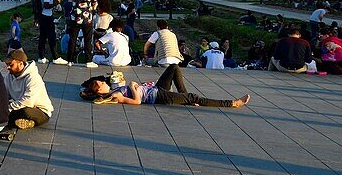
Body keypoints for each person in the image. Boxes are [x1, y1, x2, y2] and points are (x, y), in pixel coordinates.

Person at [81, 65, 251, 108]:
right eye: (101, 84)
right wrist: (134, 87)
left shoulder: (113, 89)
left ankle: (185, 98)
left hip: (156, 88)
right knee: (194, 97)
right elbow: (137, 102)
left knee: (174, 68)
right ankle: (232, 103)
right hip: (158, 97)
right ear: (99, 91)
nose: (104, 83)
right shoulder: (115, 96)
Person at [3, 49, 54, 131]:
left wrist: (9, 108)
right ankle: (21, 122)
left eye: (11, 64)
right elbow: (4, 95)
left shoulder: (33, 77)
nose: (8, 67)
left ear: (21, 63)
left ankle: (29, 122)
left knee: (25, 111)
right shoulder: (9, 76)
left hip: (39, 111)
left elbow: (28, 102)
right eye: (7, 64)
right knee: (0, 109)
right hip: (20, 106)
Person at [58, 0, 97, 68]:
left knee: (72, 39)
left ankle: (70, 60)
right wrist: (90, 9)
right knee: (88, 40)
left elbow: (71, 0)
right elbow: (94, 5)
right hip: (87, 19)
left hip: (75, 18)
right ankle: (88, 61)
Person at [35, 0, 60, 64]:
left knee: (42, 37)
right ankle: (56, 58)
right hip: (47, 16)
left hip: (41, 16)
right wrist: (56, 3)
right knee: (52, 37)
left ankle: (41, 57)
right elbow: (46, 5)